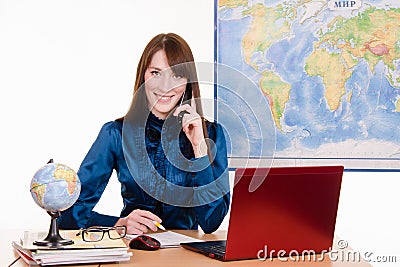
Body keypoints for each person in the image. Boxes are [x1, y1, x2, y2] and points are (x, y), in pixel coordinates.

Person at [59, 33, 230, 234]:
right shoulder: (115, 134)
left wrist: (199, 147)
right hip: (135, 252)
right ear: (143, 76)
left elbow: (212, 222)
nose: (165, 86)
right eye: (156, 73)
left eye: (176, 75)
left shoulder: (211, 134)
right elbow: (69, 213)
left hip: (185, 256)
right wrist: (118, 224)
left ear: (187, 81)